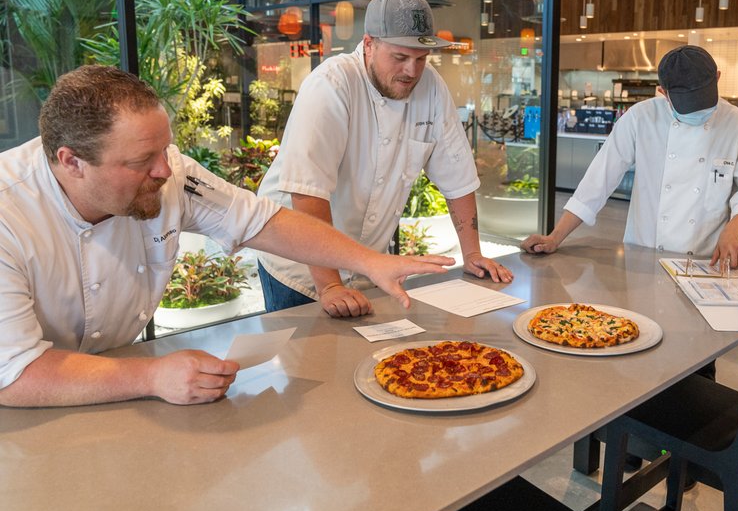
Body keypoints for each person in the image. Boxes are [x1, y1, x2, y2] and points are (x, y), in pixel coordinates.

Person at [0, 65, 454, 408]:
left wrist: (368, 262)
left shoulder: (170, 172)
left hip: (113, 388)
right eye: (141, 161)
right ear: (72, 161)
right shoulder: (8, 211)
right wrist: (152, 377)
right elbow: (15, 373)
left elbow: (262, 221)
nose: (164, 170)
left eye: (165, 149)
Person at [257, 0, 512, 318]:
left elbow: (457, 175)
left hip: (363, 265)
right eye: (400, 57)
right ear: (368, 44)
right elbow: (307, 193)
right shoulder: (331, 85)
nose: (411, 70)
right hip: (299, 268)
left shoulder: (431, 86)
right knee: (311, 365)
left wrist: (473, 253)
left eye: (421, 59)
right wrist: (329, 285)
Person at [521, 45, 738, 269]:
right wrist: (554, 237)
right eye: (687, 104)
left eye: (704, 101)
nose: (698, 111)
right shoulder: (640, 118)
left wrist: (735, 228)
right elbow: (598, 181)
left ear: (717, 78)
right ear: (663, 92)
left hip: (708, 260)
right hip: (644, 258)